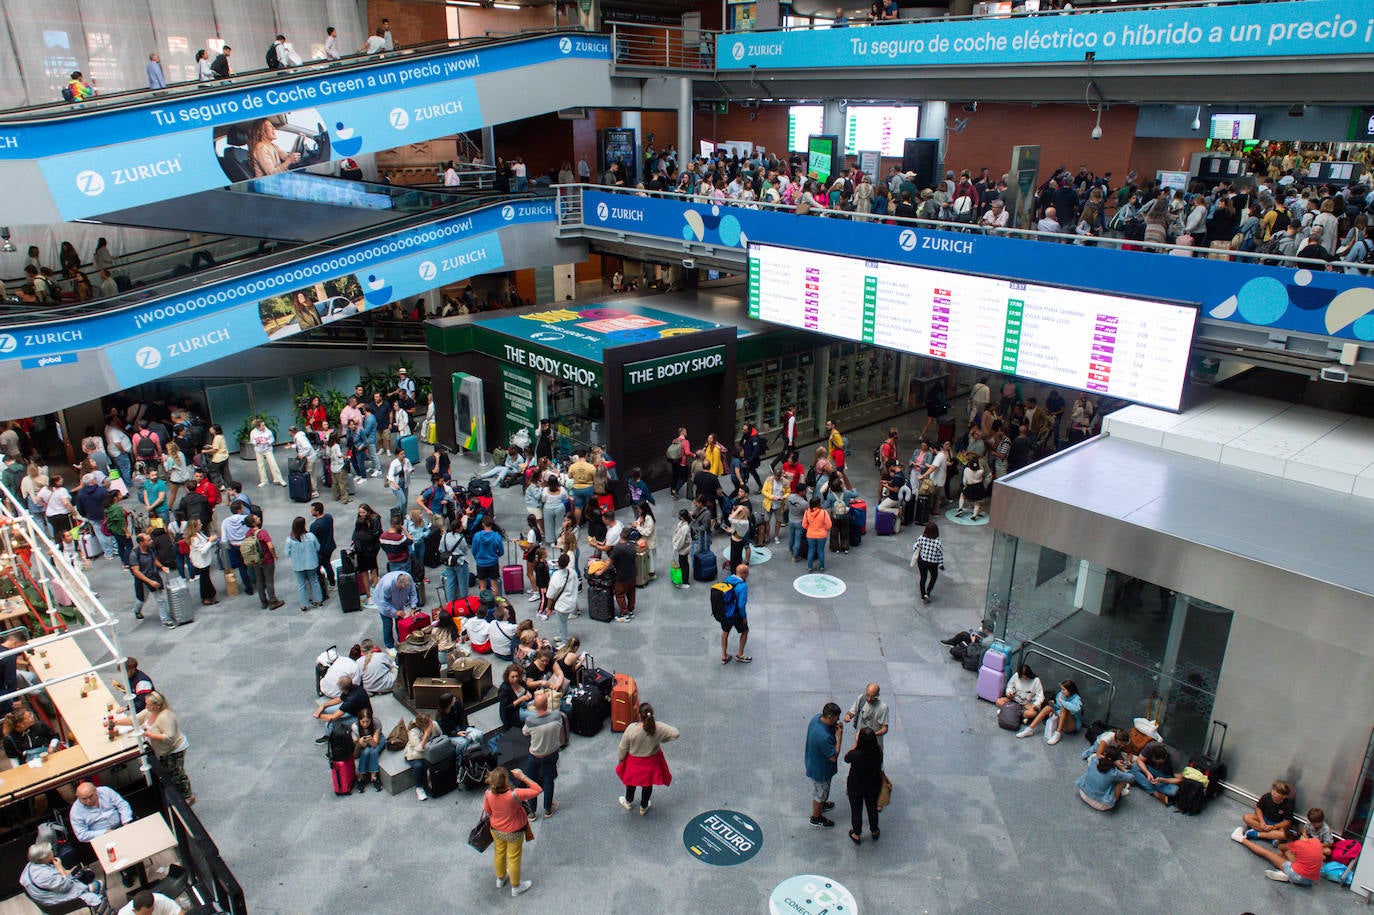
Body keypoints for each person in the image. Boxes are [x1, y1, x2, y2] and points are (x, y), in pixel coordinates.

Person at [483, 766, 540, 897]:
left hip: (496, 829)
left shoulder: (487, 794)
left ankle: (500, 878)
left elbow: (488, 811)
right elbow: (538, 789)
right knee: (513, 858)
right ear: (505, 781)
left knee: (499, 853)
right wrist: (522, 777)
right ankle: (516, 886)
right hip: (514, 832)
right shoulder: (515, 794)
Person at [616, 701, 679, 815]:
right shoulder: (658, 727)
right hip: (651, 762)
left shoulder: (631, 729)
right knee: (647, 784)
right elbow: (675, 733)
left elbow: (623, 747)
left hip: (633, 762)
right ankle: (643, 806)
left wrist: (621, 759)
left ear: (639, 715)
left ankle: (628, 801)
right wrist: (662, 740)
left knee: (630, 783)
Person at [20, 841, 110, 914]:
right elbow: (66, 886)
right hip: (58, 902)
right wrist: (60, 867)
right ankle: (99, 904)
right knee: (99, 884)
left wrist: (65, 871)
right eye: (50, 850)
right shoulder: (45, 875)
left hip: (49, 895)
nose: (52, 851)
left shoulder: (30, 866)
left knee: (87, 874)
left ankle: (94, 896)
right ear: (44, 857)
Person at [138, 691, 193, 804]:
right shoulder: (149, 712)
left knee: (176, 772)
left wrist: (150, 735)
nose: (146, 706)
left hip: (174, 749)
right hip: (164, 750)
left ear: (156, 706)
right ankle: (178, 793)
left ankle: (188, 795)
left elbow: (169, 737)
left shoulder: (166, 717)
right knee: (169, 771)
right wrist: (116, 722)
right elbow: (136, 719)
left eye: (148, 704)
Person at [1231, 823, 1323, 886]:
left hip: (1298, 876)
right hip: (1311, 880)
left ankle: (1240, 838)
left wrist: (1281, 843)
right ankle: (1284, 871)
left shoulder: (1293, 845)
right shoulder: (1316, 841)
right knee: (1293, 856)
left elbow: (1280, 848)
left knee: (1267, 853)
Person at [522, 692, 563, 819]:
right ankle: (548, 809)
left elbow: (525, 732)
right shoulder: (557, 716)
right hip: (551, 754)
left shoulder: (530, 721)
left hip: (535, 756)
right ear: (547, 704)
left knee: (531, 781)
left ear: (534, 706)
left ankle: (532, 812)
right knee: (548, 780)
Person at [844, 726, 884, 845]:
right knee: (872, 809)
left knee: (856, 810)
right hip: (873, 785)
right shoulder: (878, 751)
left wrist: (855, 744)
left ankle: (856, 833)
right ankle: (874, 830)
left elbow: (846, 758)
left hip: (856, 786)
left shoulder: (855, 754)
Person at [806, 702, 843, 828]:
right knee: (820, 794)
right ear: (829, 717)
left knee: (823, 791)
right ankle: (816, 817)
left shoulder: (816, 719)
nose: (838, 720)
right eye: (836, 717)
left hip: (814, 762)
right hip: (821, 770)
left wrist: (834, 728)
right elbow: (833, 757)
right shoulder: (824, 737)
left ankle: (822, 805)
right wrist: (840, 737)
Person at [1017, 679, 1082, 745]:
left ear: (1070, 690)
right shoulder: (1060, 695)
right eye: (1061, 689)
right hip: (1061, 719)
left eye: (1064, 690)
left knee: (1064, 708)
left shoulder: (1076, 698)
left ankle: (1057, 734)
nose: (1062, 692)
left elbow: (1076, 709)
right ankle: (1029, 729)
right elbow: (1058, 707)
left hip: (1071, 725)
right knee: (1047, 708)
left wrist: (1063, 702)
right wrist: (1053, 706)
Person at [312, 674, 371, 741]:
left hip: (358, 717)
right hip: (354, 710)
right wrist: (323, 705)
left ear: (341, 688)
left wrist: (319, 715)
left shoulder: (351, 700)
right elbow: (339, 699)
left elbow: (333, 717)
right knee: (326, 709)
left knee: (329, 723)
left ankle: (329, 737)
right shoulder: (354, 687)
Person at [373, 570, 418, 653]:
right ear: (398, 582)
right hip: (385, 603)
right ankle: (389, 646)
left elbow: (413, 593)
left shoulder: (409, 579)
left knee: (400, 623)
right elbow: (383, 601)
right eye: (401, 587)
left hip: (399, 601)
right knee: (388, 624)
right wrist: (395, 612)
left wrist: (413, 607)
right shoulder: (388, 585)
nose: (403, 589)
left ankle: (401, 640)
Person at [1076, 745, 1133, 811]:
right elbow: (1131, 777)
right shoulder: (1114, 773)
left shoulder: (1094, 760)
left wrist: (1113, 763)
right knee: (1122, 780)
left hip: (1083, 792)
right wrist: (1120, 768)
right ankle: (1117, 795)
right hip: (1100, 804)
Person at [284, 516, 323, 612]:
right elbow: (318, 547)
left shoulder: (289, 540)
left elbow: (287, 553)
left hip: (298, 566)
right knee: (314, 581)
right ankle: (318, 601)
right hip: (311, 563)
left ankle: (303, 605)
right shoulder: (310, 536)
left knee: (301, 585)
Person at [245, 515, 283, 610]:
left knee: (259, 581)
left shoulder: (248, 533)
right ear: (254, 523)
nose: (258, 518)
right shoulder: (262, 533)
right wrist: (274, 555)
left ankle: (263, 601)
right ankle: (273, 601)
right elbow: (270, 546)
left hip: (256, 561)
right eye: (256, 518)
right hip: (267, 560)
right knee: (269, 581)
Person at [404, 713, 441, 801]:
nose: (431, 725)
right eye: (428, 724)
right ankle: (418, 787)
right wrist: (427, 734)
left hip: (431, 750)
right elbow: (419, 748)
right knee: (418, 766)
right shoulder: (413, 732)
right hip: (417, 754)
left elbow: (440, 736)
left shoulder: (434, 724)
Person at [719, 563, 750, 664]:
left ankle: (724, 655)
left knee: (725, 632)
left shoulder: (728, 579)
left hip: (725, 612)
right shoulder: (743, 586)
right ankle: (740, 654)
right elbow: (741, 605)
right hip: (735, 614)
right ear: (744, 574)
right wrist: (744, 617)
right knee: (745, 631)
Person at [545, 552, 578, 646]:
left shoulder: (556, 576)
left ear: (558, 563)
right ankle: (562, 635)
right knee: (562, 621)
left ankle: (564, 641)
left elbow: (550, 595)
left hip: (561, 604)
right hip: (571, 601)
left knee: (562, 623)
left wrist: (548, 608)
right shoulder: (572, 572)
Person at [912, 522, 944, 603]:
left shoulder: (921, 538)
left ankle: (923, 595)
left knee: (923, 578)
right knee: (934, 577)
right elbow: (939, 554)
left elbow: (915, 547)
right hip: (933, 563)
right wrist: (941, 564)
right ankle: (928, 592)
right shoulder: (937, 542)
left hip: (922, 562)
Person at [497, 663, 534, 728]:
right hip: (513, 712)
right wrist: (521, 699)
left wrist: (527, 692)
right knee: (535, 715)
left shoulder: (520, 682)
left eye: (517, 676)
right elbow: (506, 707)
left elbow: (525, 689)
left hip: (524, 704)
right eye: (512, 677)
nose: (515, 679)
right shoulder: (504, 689)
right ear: (507, 676)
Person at [802, 496, 832, 572]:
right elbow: (829, 525)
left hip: (810, 534)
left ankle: (809, 567)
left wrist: (810, 528)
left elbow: (804, 525)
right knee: (821, 551)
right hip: (822, 535)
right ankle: (822, 567)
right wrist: (824, 529)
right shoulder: (823, 512)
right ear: (819, 504)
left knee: (811, 550)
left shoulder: (807, 512)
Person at [118, 889, 186, 915]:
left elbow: (178, 912)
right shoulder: (124, 913)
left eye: (151, 911)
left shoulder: (160, 900)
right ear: (135, 911)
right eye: (145, 914)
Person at [670, 509, 692, 590]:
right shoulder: (682, 524)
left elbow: (681, 541)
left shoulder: (685, 528)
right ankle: (684, 579)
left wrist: (675, 547)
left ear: (683, 517)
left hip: (683, 550)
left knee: (684, 565)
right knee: (683, 564)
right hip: (682, 549)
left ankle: (685, 582)